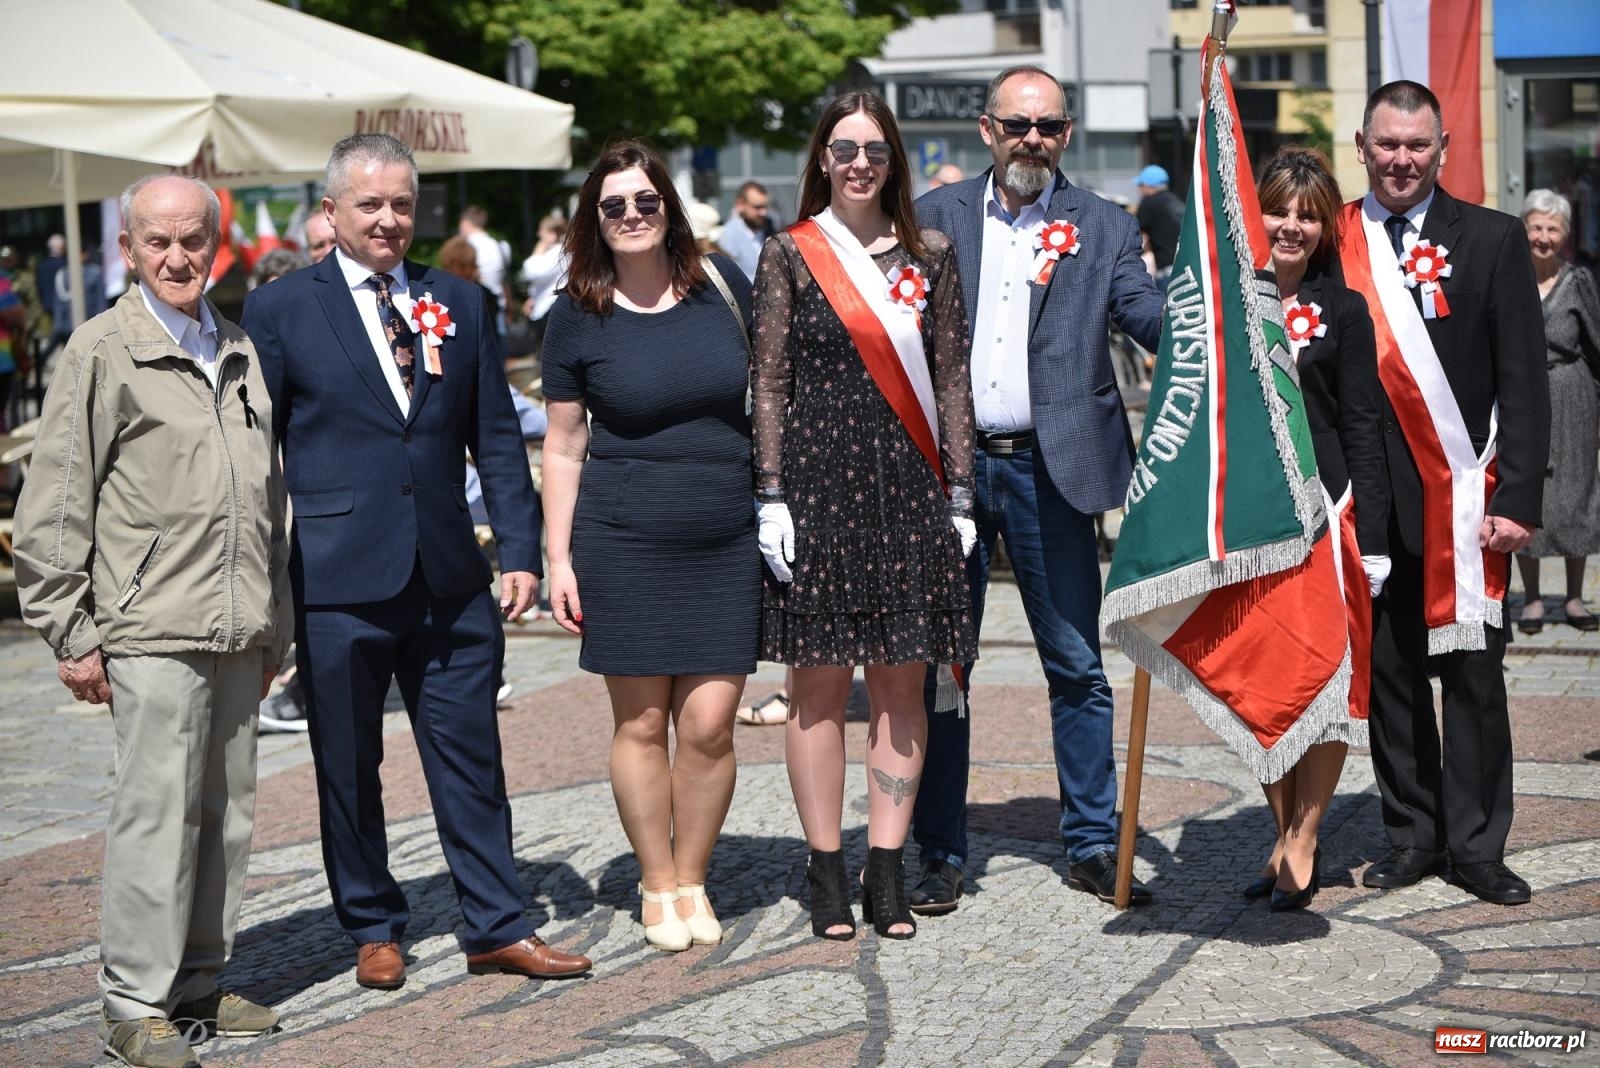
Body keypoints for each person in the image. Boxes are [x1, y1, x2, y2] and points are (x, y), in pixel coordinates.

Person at [242, 132, 591, 987]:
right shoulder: (282, 311)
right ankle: (372, 925)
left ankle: (497, 923)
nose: (390, 219)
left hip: (448, 575)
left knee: (471, 755)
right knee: (347, 764)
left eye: (403, 203)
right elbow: (253, 453)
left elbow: (496, 439)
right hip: (334, 578)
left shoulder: (461, 302)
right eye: (371, 204)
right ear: (331, 212)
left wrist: (518, 549)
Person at [13, 174, 292, 1068]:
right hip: (148, 625)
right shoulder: (101, 349)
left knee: (227, 813)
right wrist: (71, 628)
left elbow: (266, 494)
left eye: (193, 242)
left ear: (218, 246)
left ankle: (199, 982)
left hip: (237, 621)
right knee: (157, 814)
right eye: (158, 242)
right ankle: (133, 1001)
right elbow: (55, 500)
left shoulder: (237, 345)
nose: (178, 258)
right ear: (126, 250)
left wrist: (275, 617)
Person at [910, 64, 1164, 914]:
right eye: (1017, 125)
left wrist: (1243, 303)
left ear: (1067, 133)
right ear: (987, 129)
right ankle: (939, 850)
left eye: (1048, 127)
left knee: (1077, 666)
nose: (1032, 140)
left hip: (1055, 471)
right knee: (945, 670)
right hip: (950, 473)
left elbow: (1151, 319)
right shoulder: (934, 220)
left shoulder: (1104, 225)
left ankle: (1092, 841)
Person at [751, 90, 977, 941]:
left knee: (901, 683)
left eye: (874, 150)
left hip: (912, 487)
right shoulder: (791, 254)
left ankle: (887, 871)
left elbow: (951, 381)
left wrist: (960, 495)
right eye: (843, 148)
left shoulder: (936, 254)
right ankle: (826, 871)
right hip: (815, 488)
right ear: (821, 157)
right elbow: (769, 380)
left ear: (894, 161)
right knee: (815, 685)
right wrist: (768, 493)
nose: (858, 163)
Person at [541, 139, 760, 952]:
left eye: (645, 201)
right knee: (640, 725)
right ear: (594, 221)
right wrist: (558, 557)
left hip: (725, 534)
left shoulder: (723, 289)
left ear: (668, 207)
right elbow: (563, 446)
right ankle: (658, 879)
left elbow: (774, 388)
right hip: (622, 538)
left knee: (709, 723)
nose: (631, 215)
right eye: (613, 206)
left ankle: (693, 874)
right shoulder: (575, 312)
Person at [1337, 81, 1549, 905]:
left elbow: (1523, 381)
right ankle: (1412, 835)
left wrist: (1520, 500)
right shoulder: (1336, 241)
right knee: (1391, 679)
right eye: (1387, 144)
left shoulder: (1493, 240)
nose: (1401, 159)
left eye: (1417, 146)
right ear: (1362, 145)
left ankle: (1478, 846)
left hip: (1468, 504)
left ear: (1443, 148)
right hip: (1369, 505)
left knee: (1473, 682)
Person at [1242, 147, 1389, 912]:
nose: (1292, 225)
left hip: (1327, 515)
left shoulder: (1347, 310)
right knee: (1258, 685)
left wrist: (1379, 536)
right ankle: (1279, 832)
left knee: (1324, 685)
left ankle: (1306, 836)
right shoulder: (1229, 303)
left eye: (1307, 215)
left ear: (1325, 227)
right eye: (1280, 210)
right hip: (1247, 519)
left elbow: (1364, 423)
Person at [1514, 189, 1600, 634]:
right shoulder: (1509, 276)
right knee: (1527, 493)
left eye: (1552, 228)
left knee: (1576, 495)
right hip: (1524, 395)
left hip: (1573, 396)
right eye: (1536, 226)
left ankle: (1572, 598)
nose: (1543, 237)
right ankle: (1529, 599)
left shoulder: (1578, 280)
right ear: (1523, 228)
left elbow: (1596, 345)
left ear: (1566, 234)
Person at [519, 214, 569, 355]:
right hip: (545, 306)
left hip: (551, 308)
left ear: (552, 234)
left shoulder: (558, 252)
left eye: (542, 230)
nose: (539, 234)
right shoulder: (559, 252)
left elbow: (532, 272)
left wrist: (538, 250)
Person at [1134, 164, 1183, 291]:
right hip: (1186, 268)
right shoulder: (1177, 201)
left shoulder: (1149, 203)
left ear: (1147, 185)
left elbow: (1136, 235)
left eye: (1140, 185)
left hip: (1167, 272)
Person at [459, 204, 511, 325]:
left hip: (475, 307)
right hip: (498, 306)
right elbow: (504, 281)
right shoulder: (500, 245)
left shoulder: (467, 247)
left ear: (465, 223)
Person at [720, 180, 775, 281]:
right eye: (757, 207)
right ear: (740, 205)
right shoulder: (726, 237)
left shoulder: (771, 229)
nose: (763, 212)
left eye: (765, 207)